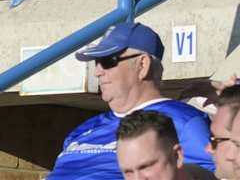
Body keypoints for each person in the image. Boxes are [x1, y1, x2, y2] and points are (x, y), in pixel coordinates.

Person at [49, 23, 214, 176]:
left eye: (107, 61)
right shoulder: (83, 129)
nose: (97, 72)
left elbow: (213, 175)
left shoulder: (183, 121)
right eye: (96, 63)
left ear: (142, 65)